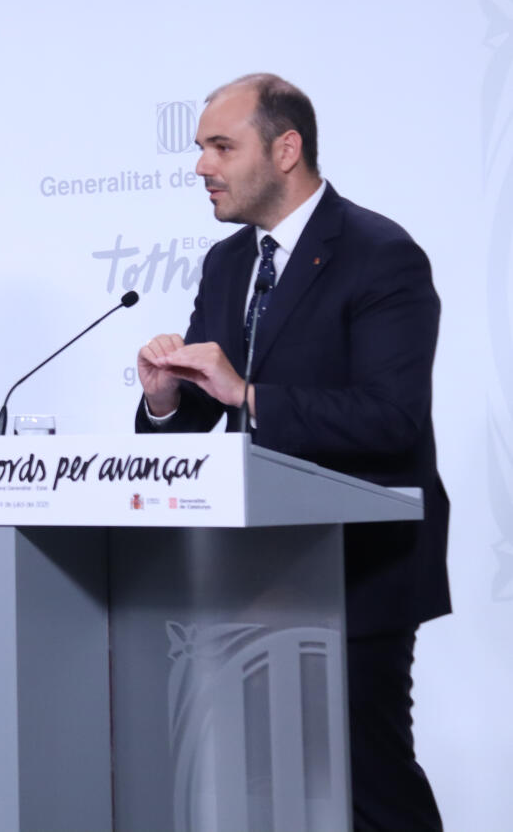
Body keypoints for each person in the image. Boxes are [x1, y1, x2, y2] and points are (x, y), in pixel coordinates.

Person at [135, 73, 449, 830]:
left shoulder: (381, 255)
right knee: (268, 789)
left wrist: (248, 394)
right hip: (253, 572)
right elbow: (202, 415)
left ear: (286, 148)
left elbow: (391, 419)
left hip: (358, 568)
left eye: (220, 145)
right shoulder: (226, 263)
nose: (200, 166)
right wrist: (164, 395)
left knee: (370, 782)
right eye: (200, 148)